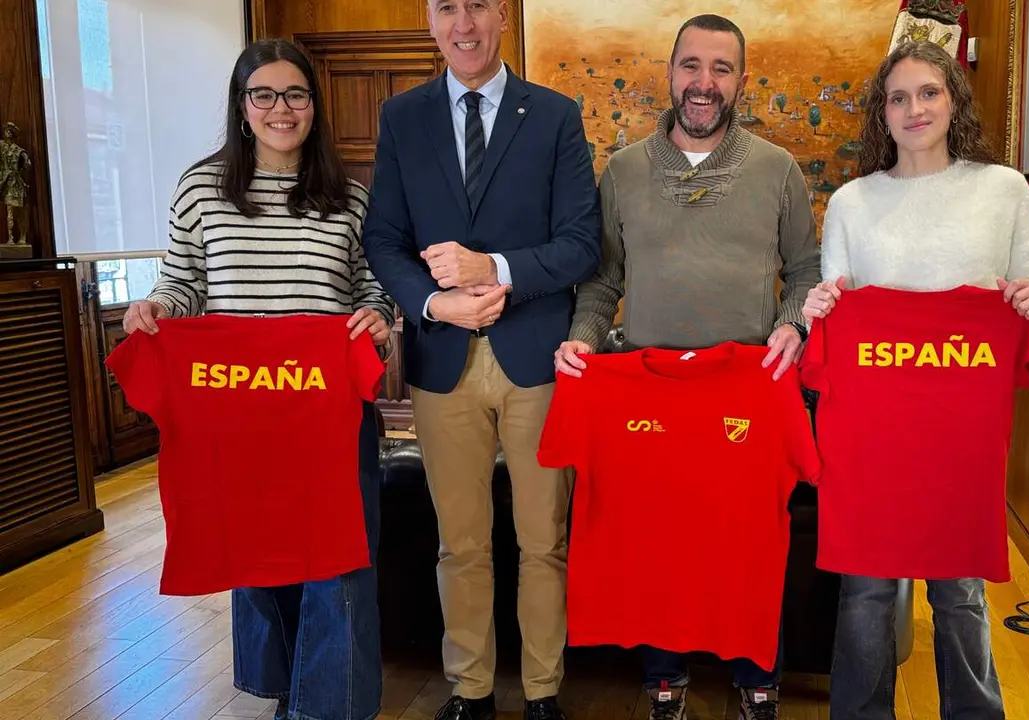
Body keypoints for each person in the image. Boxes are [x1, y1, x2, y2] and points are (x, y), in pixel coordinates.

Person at [554, 14, 820, 720]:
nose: (705, 83)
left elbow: (806, 272)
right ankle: (664, 683)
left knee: (751, 547)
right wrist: (584, 337)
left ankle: (757, 681)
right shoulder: (624, 170)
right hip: (650, 393)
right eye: (692, 66)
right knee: (658, 548)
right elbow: (602, 281)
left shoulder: (777, 170)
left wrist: (792, 325)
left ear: (741, 80)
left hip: (745, 395)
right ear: (669, 75)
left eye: (721, 69)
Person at [120, 39, 393, 720]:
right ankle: (286, 692)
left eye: (295, 94)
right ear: (242, 108)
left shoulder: (349, 198)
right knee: (259, 557)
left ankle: (327, 708)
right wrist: (158, 307)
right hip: (238, 415)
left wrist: (377, 316)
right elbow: (184, 281)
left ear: (314, 107)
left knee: (340, 563)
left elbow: (373, 287)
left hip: (327, 411)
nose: (281, 108)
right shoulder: (201, 187)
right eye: (263, 94)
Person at [801, 41, 1029, 720]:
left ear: (954, 100)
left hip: (958, 429)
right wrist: (821, 309)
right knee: (865, 589)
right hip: (873, 430)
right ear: (880, 114)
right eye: (898, 97)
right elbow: (836, 297)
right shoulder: (854, 202)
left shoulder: (1001, 189)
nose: (914, 109)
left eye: (928, 93)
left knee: (960, 589)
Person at [359, 0, 601, 718]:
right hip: (442, 362)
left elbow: (583, 243)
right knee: (459, 544)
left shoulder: (555, 116)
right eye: (446, 8)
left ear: (502, 15)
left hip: (536, 360)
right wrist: (435, 305)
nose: (462, 24)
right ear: (430, 20)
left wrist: (490, 268)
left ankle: (542, 691)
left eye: (477, 6)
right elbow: (383, 240)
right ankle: (469, 690)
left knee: (542, 542)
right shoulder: (402, 119)